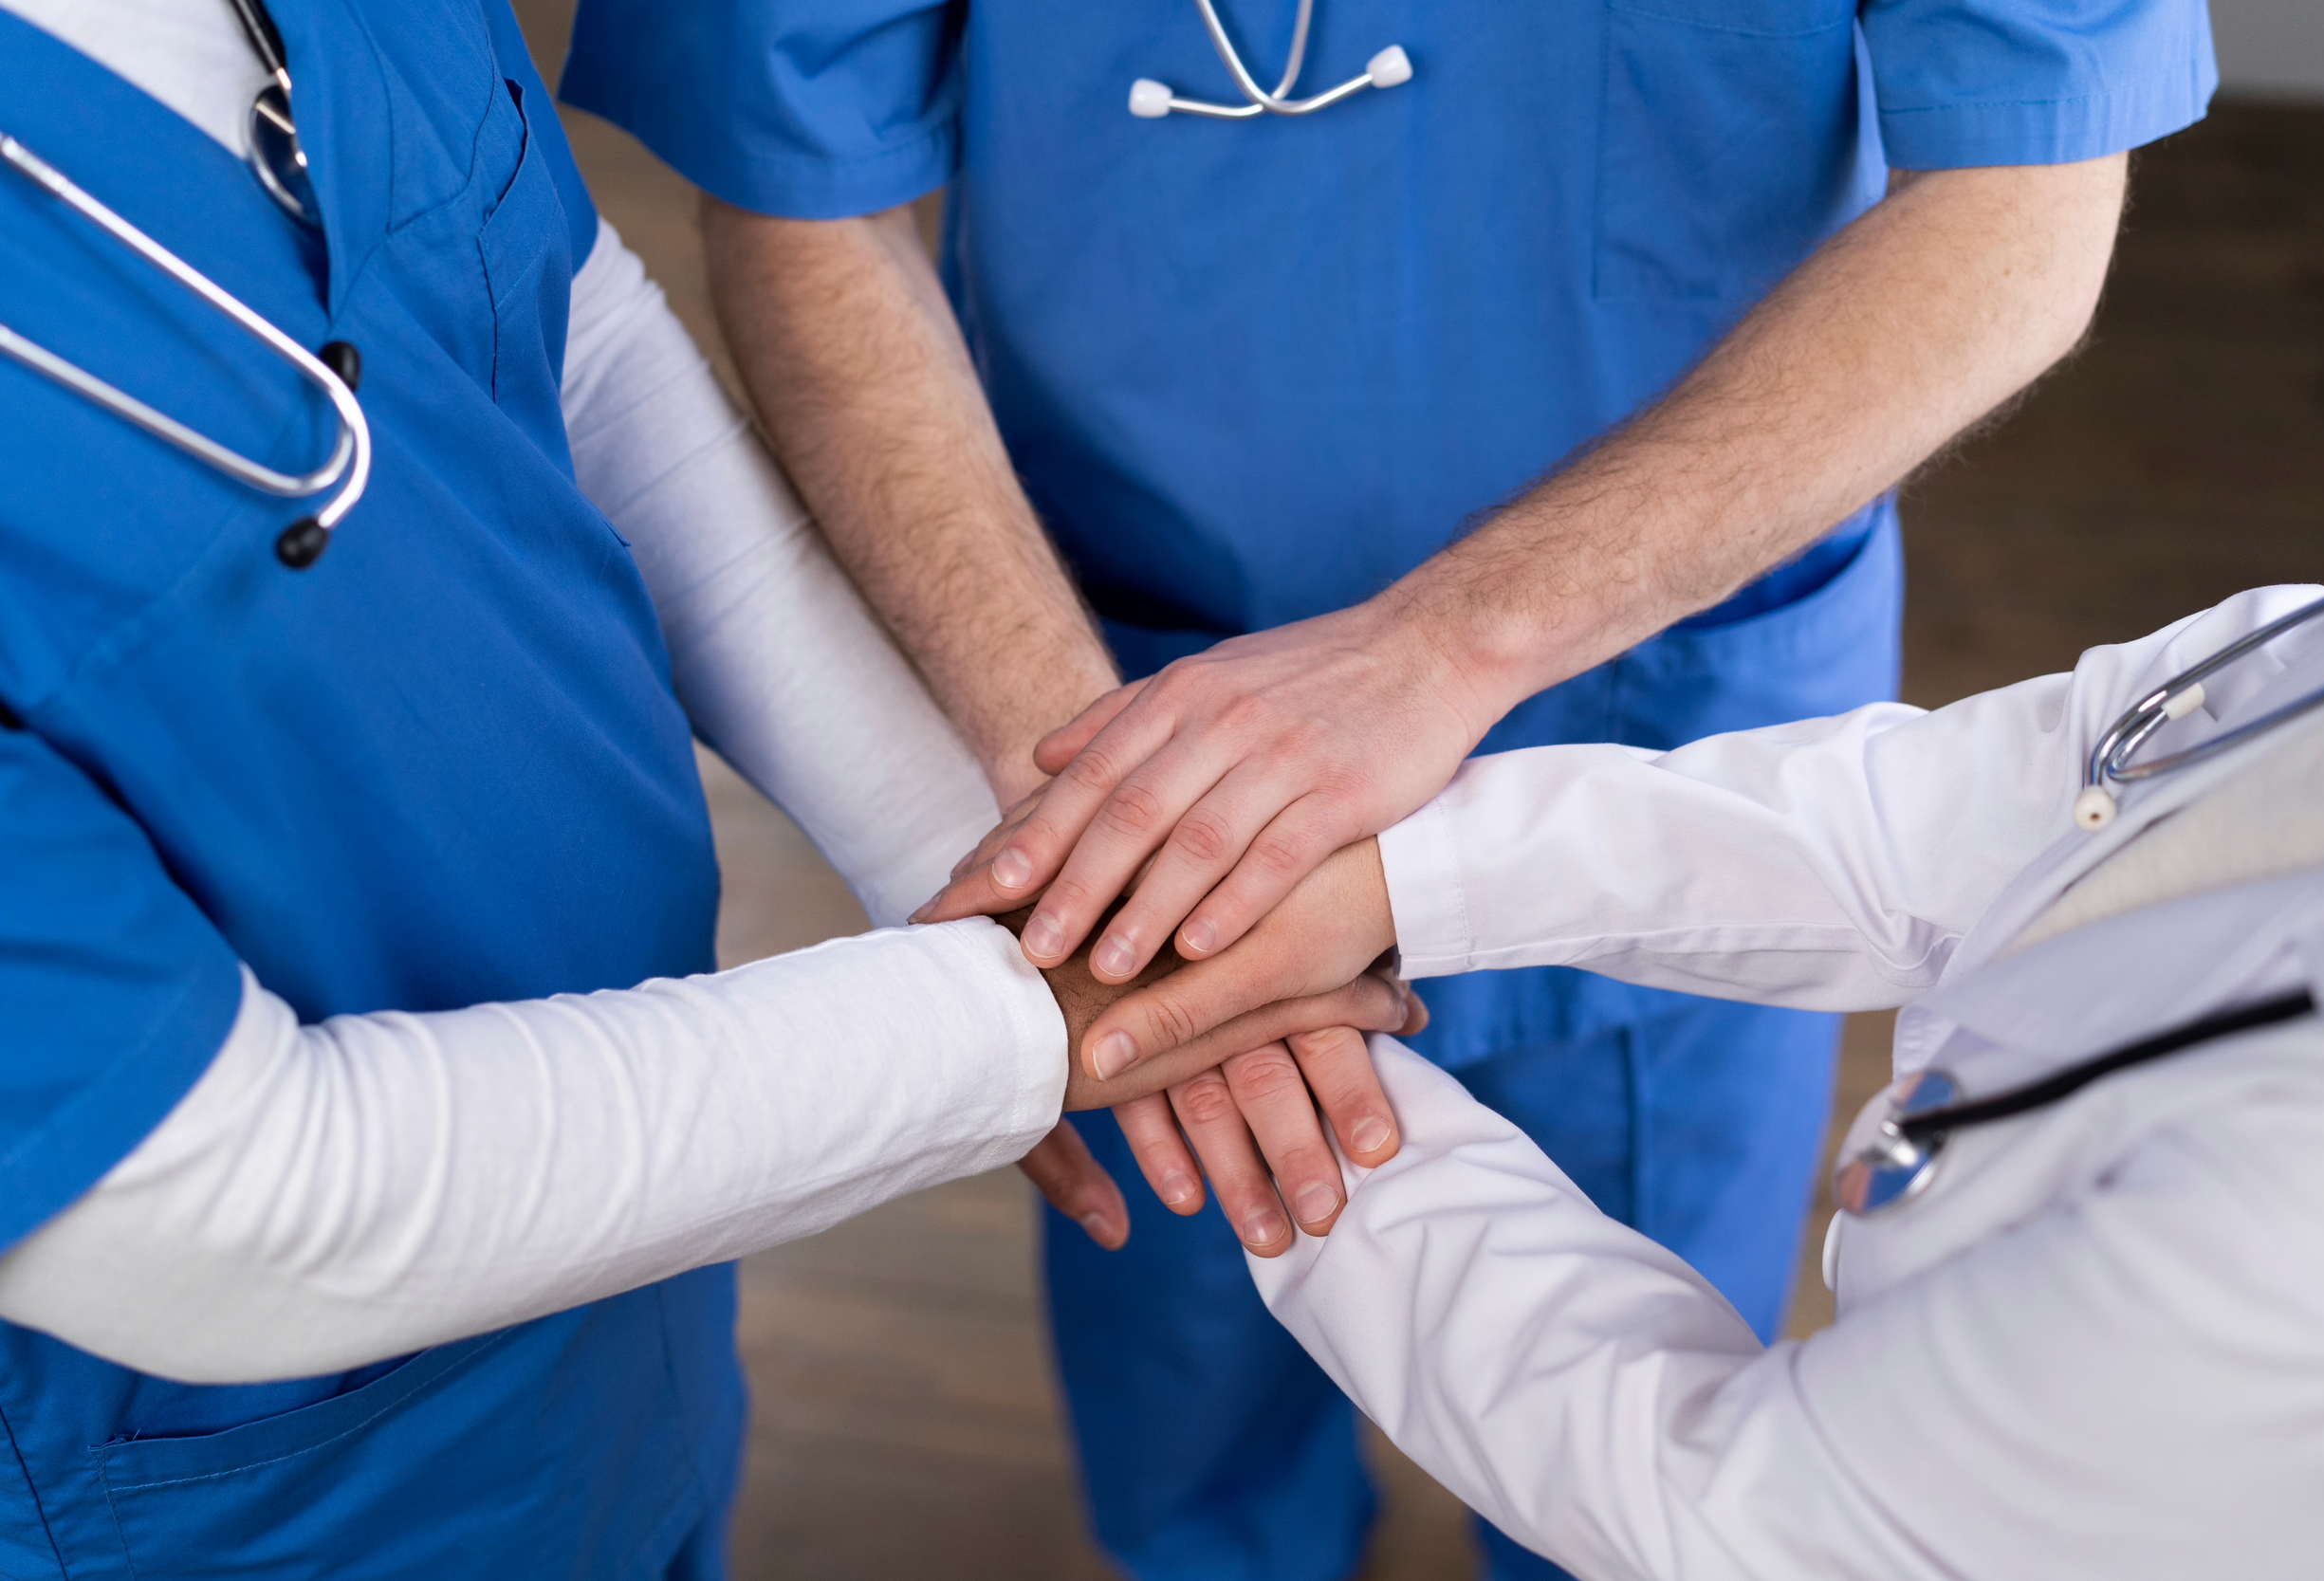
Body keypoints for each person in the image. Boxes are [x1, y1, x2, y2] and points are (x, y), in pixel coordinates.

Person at [558, 0, 2214, 1572]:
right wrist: (1120, 810)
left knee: (1649, 1464)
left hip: (1672, 692)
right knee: (1194, 1413)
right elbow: (795, 188)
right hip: (1103, 669)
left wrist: (1449, 644)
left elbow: (2026, 196)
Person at [0, 3, 1410, 1574]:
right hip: (250, 1489)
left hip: (615, 1295)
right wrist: (1006, 1017)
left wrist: (1017, 871)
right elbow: (230, 1203)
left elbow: (561, 329)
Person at [1074, 577, 2324, 1577]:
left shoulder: (2312, 1236)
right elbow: (2034, 797)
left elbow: (1728, 1506)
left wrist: (1283, 1076)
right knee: (1192, 1415)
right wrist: (1382, 885)